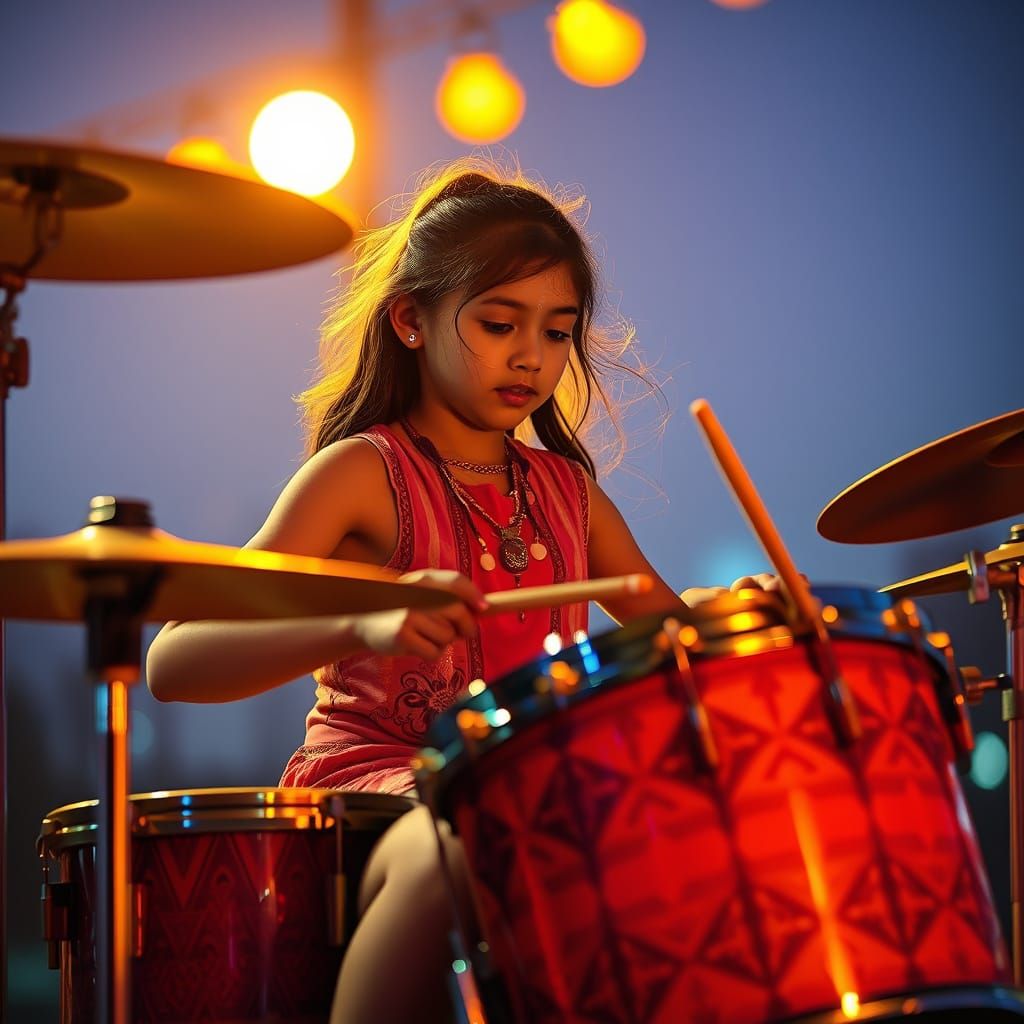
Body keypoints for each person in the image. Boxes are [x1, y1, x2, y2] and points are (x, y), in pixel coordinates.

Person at [146, 157, 735, 1023]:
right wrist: (357, 621)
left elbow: (678, 640)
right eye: (499, 324)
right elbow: (175, 661)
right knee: (450, 836)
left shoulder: (572, 496)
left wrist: (749, 622)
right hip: (373, 796)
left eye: (558, 331)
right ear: (411, 321)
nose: (531, 356)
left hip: (526, 794)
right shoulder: (359, 474)